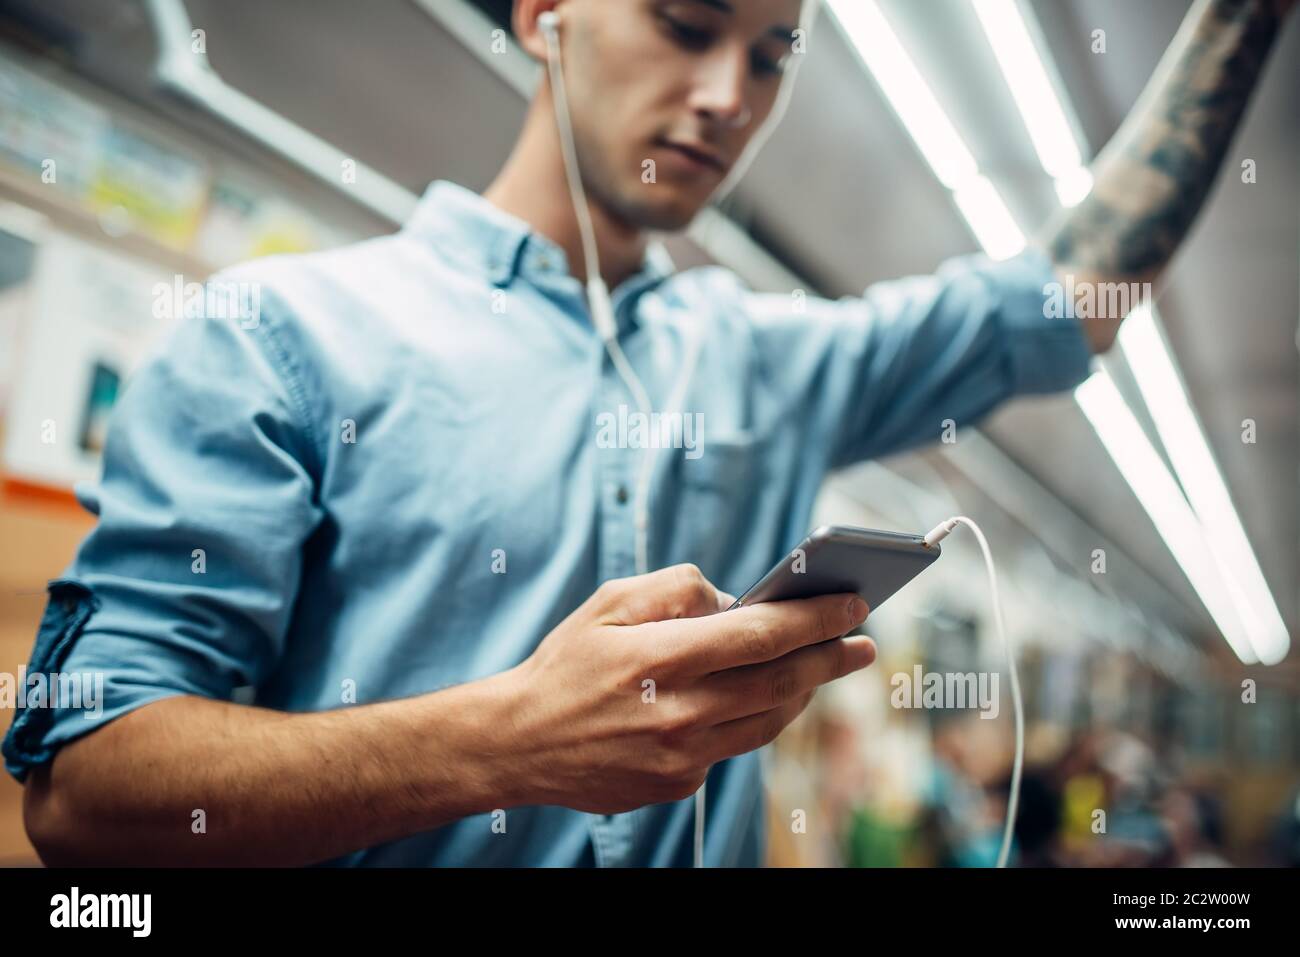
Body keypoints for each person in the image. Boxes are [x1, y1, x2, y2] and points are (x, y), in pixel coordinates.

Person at [5, 0, 1292, 866]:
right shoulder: (279, 334)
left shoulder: (775, 362)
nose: (728, 95)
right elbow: (86, 784)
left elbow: (1070, 286)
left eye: (773, 54)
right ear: (542, 13)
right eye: (683, 23)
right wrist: (505, 740)